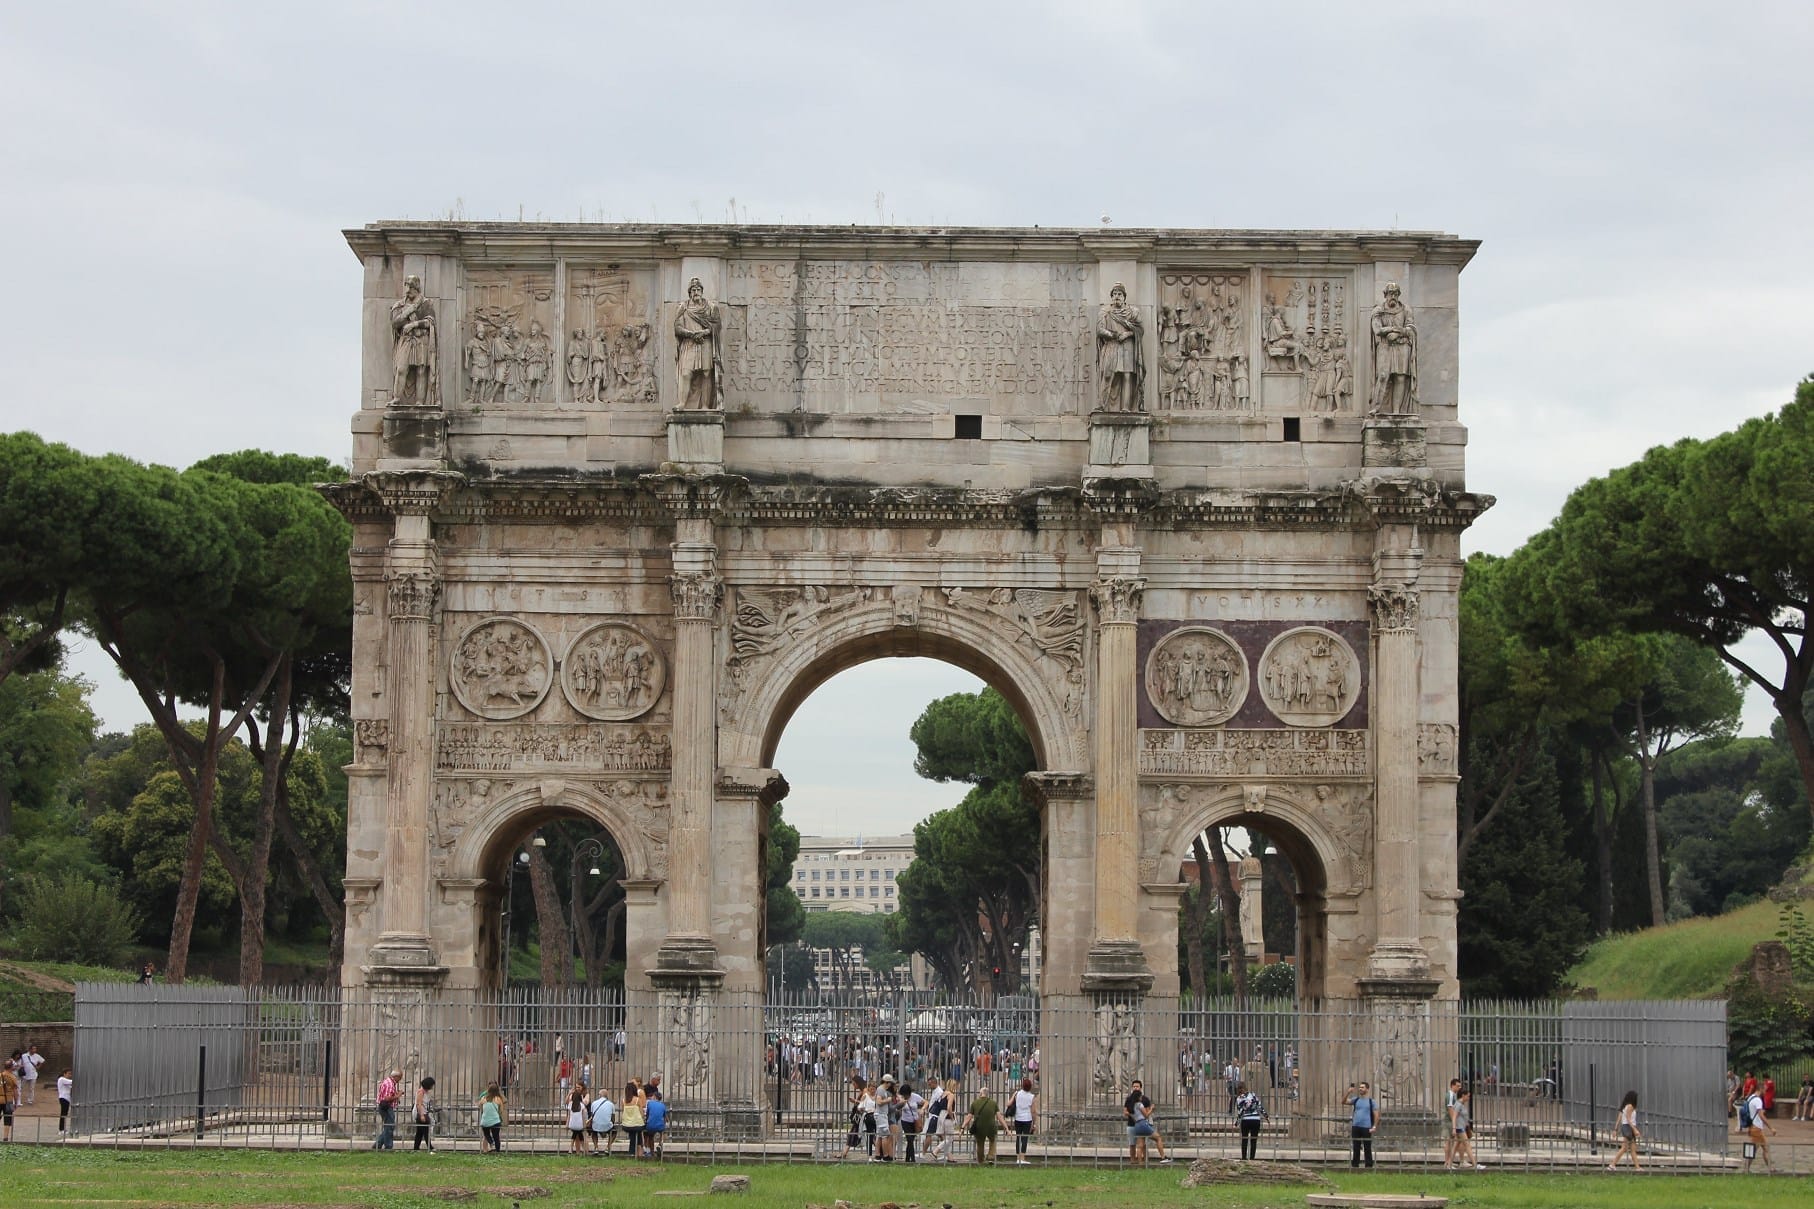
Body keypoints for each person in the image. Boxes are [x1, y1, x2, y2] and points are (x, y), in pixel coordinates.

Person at [673, 277, 722, 410]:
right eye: (693, 290)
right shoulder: (683, 307)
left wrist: (704, 332)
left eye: (698, 289)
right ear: (689, 292)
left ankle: (705, 405)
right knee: (686, 373)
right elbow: (677, 327)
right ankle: (682, 403)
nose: (696, 292)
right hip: (689, 343)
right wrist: (691, 334)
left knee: (706, 373)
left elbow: (717, 326)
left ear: (702, 291)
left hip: (705, 343)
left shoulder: (711, 307)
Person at [1096, 282, 1144, 413]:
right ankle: (1102, 405)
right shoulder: (1105, 312)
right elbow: (1100, 330)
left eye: (1120, 294)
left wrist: (1128, 334)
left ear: (1124, 297)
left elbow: (1140, 330)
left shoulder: (1133, 312)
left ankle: (1126, 407)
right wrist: (1115, 335)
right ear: (1111, 296)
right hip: (1111, 345)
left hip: (1127, 346)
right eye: (1115, 294)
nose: (1117, 296)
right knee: (1107, 375)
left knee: (1127, 376)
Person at [963, 1084, 1001, 1165]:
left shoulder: (975, 1103)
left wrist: (962, 1127)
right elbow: (999, 1116)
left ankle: (980, 1160)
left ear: (980, 1093)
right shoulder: (993, 1103)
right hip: (991, 1127)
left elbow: (969, 1117)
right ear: (987, 1094)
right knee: (992, 1141)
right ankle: (990, 1156)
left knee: (980, 1144)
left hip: (979, 1127)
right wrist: (1006, 1128)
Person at [1346, 1080, 1378, 1169]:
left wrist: (1374, 1126)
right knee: (1356, 1147)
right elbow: (1343, 1101)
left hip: (1366, 1127)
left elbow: (1376, 1114)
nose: (1360, 1089)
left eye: (1362, 1087)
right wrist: (1348, 1092)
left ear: (1367, 1089)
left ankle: (1368, 1166)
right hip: (1356, 1126)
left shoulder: (1371, 1101)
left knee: (1367, 1147)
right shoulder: (1355, 1099)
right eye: (1359, 1087)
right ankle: (1355, 1165)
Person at [1741, 1084, 1774, 1171]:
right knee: (1759, 1149)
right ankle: (1746, 1169)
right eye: (1765, 1090)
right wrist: (1771, 1128)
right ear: (1761, 1089)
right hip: (1757, 1128)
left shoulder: (1750, 1098)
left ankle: (1770, 1168)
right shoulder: (1758, 1100)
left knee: (1759, 1148)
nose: (1765, 1092)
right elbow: (1761, 1115)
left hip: (1753, 1126)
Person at [1607, 1090, 1641, 1171]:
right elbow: (1629, 1120)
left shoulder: (1625, 1106)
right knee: (1625, 1148)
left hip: (1626, 1127)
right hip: (1628, 1128)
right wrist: (1635, 1129)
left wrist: (1615, 1129)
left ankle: (1637, 1167)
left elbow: (1620, 1118)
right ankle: (1612, 1164)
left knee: (1630, 1148)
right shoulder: (1630, 1106)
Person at [1124, 1078, 1154, 1166]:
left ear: (1140, 1088)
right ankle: (1133, 1160)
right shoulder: (1129, 1099)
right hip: (1131, 1124)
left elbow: (1147, 1112)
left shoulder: (1144, 1099)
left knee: (1142, 1144)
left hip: (1142, 1124)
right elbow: (1125, 1112)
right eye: (1134, 1086)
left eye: (1137, 1086)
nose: (1135, 1088)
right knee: (1132, 1143)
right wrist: (1133, 1115)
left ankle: (1144, 1159)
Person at [1233, 1081, 1266, 1161]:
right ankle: (1252, 1158)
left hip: (1246, 1120)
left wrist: (1236, 1123)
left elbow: (1240, 1112)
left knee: (1244, 1139)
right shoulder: (1253, 1095)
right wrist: (1266, 1116)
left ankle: (1244, 1158)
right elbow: (1259, 1106)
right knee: (1253, 1140)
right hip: (1255, 1120)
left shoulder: (1239, 1098)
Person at [1451, 1088, 1482, 1170]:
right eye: (1467, 1096)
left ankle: (1449, 1164)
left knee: (1455, 1146)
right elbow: (1454, 1117)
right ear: (1463, 1095)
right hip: (1459, 1128)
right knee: (1467, 1145)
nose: (1468, 1098)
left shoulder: (1461, 1104)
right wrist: (1454, 1128)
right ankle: (1475, 1164)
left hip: (1461, 1128)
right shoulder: (1458, 1105)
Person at [1009, 1076, 1037, 1165]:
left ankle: (1018, 1157)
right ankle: (1023, 1157)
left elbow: (1008, 1103)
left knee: (1018, 1137)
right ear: (1030, 1087)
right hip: (1027, 1119)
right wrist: (1034, 1122)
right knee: (1025, 1138)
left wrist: (1014, 1096)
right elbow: (1033, 1111)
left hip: (1018, 1118)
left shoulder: (1017, 1094)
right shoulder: (1031, 1097)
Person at [373, 1068, 401, 1150]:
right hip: (387, 1107)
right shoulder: (390, 1084)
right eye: (400, 1078)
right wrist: (397, 1095)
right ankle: (388, 1146)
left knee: (388, 1127)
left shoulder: (388, 1082)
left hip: (385, 1107)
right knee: (389, 1127)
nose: (399, 1080)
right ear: (396, 1076)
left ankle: (378, 1144)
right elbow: (387, 1098)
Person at [898, 1081, 923, 1163]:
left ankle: (907, 1159)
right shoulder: (901, 1098)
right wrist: (901, 1102)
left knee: (911, 1140)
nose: (905, 1096)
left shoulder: (915, 1097)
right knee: (909, 1139)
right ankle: (912, 1159)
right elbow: (898, 1107)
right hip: (905, 1121)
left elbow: (925, 1102)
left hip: (914, 1121)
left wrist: (922, 1109)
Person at [620, 1080, 646, 1160]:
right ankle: (639, 1153)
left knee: (633, 1136)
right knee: (638, 1135)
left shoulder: (624, 1101)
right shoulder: (637, 1100)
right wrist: (644, 1119)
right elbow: (641, 1113)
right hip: (637, 1124)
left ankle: (632, 1152)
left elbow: (623, 1111)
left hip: (626, 1125)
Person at [589, 1086, 617, 1155]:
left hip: (596, 1125)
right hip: (607, 1125)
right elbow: (613, 1118)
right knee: (614, 1132)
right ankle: (608, 1148)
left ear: (599, 1095)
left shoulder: (594, 1103)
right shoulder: (611, 1104)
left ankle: (596, 1148)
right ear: (606, 1096)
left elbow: (592, 1116)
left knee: (594, 1132)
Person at [412, 1076, 437, 1151]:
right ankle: (430, 1147)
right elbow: (419, 1104)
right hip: (421, 1112)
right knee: (426, 1130)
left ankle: (416, 1148)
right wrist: (422, 1115)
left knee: (420, 1132)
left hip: (424, 1111)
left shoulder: (425, 1092)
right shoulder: (421, 1092)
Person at [1442, 1078, 1463, 1169]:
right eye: (1458, 1086)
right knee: (1448, 1141)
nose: (1459, 1087)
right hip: (1448, 1121)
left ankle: (1448, 1161)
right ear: (1452, 1085)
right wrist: (1454, 1124)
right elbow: (1450, 1110)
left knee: (1450, 1141)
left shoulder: (1453, 1095)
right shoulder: (1450, 1095)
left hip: (1450, 1121)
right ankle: (1447, 1162)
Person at [643, 1087, 667, 1159]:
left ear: (655, 1097)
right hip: (660, 1126)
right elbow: (664, 1116)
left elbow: (647, 1114)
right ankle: (660, 1144)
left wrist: (647, 1121)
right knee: (663, 1133)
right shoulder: (663, 1105)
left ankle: (652, 1152)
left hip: (650, 1125)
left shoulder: (650, 1103)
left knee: (650, 1136)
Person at [0, 1060, 17, 1143]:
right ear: (11, 1067)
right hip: (9, 1100)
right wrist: (16, 1102)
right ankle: (5, 1138)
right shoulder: (12, 1077)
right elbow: (15, 1091)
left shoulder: (0, 1075)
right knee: (7, 1119)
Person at [57, 1068, 73, 1136]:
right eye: (68, 1073)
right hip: (63, 1098)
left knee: (65, 1114)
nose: (70, 1075)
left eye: (70, 1074)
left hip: (67, 1099)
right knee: (63, 1114)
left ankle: (63, 1129)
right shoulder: (62, 1079)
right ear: (64, 1074)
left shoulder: (65, 1081)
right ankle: (61, 1129)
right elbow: (71, 1082)